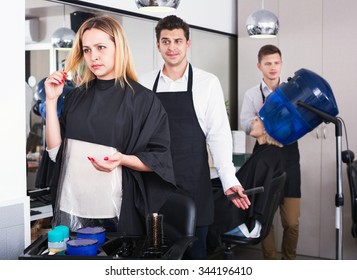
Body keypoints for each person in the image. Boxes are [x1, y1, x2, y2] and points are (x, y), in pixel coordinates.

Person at [44, 15, 177, 235]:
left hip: (116, 211)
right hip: (72, 206)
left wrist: (122, 160)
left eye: (101, 47)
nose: (93, 56)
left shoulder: (143, 100)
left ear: (119, 48)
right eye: (87, 50)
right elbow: (56, 153)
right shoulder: (75, 97)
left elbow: (160, 159)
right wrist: (51, 100)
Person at [139, 15, 250, 260]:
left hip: (194, 187)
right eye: (165, 41)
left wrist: (228, 179)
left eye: (177, 40)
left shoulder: (207, 83)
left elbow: (219, 135)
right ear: (158, 45)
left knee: (194, 257)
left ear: (188, 44)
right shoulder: (144, 83)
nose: (172, 47)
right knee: (156, 257)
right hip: (155, 188)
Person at [240, 44, 301, 260]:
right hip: (264, 159)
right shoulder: (251, 95)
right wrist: (265, 119)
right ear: (259, 66)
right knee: (264, 218)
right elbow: (248, 126)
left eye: (276, 63)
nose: (273, 67)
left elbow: (299, 124)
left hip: (290, 159)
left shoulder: (292, 92)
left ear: (281, 64)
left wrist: (266, 122)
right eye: (268, 63)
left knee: (292, 222)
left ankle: (288, 260)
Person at [208, 116, 285, 247]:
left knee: (198, 216)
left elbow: (243, 192)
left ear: (266, 129)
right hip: (252, 222)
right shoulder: (271, 153)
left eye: (257, 119)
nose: (252, 121)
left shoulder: (262, 160)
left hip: (244, 224)